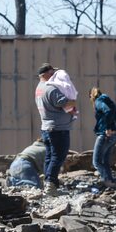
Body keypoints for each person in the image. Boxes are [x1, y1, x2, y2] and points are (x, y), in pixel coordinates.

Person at [35, 63, 77, 193]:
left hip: (46, 128)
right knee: (58, 156)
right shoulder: (51, 89)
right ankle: (50, 185)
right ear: (46, 74)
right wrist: (73, 100)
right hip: (58, 128)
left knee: (50, 156)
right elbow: (64, 103)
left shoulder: (39, 88)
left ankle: (48, 182)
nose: (54, 75)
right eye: (52, 73)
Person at [90, 87, 116, 187]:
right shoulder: (109, 101)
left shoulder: (99, 101)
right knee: (105, 160)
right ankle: (111, 182)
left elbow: (107, 111)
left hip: (105, 134)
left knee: (96, 162)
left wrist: (107, 128)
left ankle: (107, 181)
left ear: (92, 95)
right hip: (114, 134)